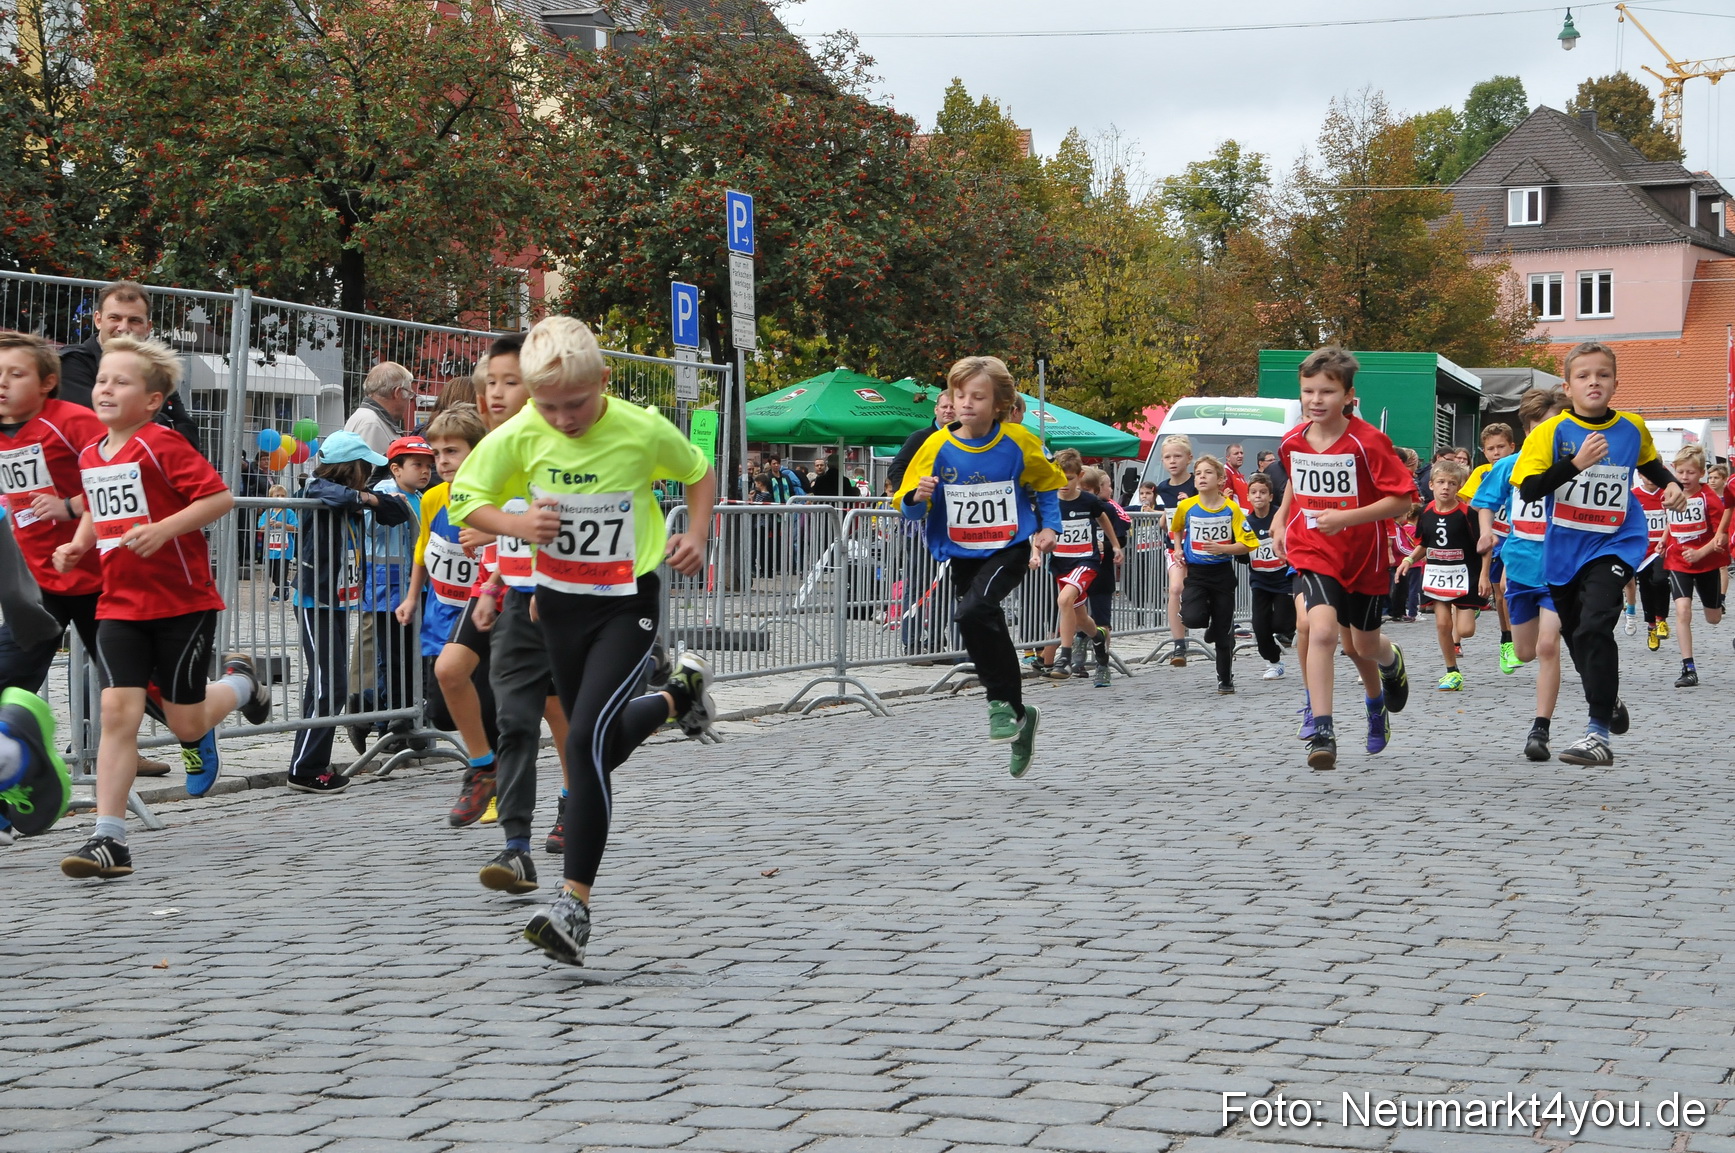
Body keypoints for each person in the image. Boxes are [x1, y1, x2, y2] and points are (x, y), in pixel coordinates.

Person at [445, 316, 717, 967]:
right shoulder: (519, 433)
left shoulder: (640, 428)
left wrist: (697, 535)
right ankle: (677, 696)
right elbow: (463, 499)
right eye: (549, 405)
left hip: (628, 603)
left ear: (604, 380)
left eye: (577, 403)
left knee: (583, 738)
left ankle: (574, 903)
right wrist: (514, 520)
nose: (563, 418)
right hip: (558, 607)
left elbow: (698, 472)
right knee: (587, 741)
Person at [50, 337, 271, 878]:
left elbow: (218, 498)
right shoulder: (90, 453)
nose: (105, 388)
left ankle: (243, 683)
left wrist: (162, 529)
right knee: (116, 713)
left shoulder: (162, 443)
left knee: (185, 719)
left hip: (183, 602)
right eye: (102, 379)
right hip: (119, 602)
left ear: (152, 399)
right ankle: (109, 838)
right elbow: (98, 508)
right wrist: (80, 543)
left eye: (120, 382)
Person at [1512, 341, 1680, 766]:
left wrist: (1671, 484)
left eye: (1602, 375)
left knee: (1594, 625)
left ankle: (1597, 733)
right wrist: (1575, 464)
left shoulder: (1632, 427)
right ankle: (1608, 697)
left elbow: (1650, 465)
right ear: (1567, 386)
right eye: (1584, 376)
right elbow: (1529, 490)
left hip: (1618, 540)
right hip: (1564, 551)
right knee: (1578, 640)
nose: (1594, 382)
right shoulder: (1550, 433)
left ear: (1615, 383)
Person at [896, 355, 1063, 780]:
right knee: (983, 625)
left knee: (972, 613)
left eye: (978, 396)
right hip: (962, 552)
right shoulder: (934, 446)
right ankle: (1021, 716)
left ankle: (997, 705)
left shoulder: (1018, 441)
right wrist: (917, 495)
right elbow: (907, 510)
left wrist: (1051, 529)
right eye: (959, 395)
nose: (965, 404)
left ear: (999, 404)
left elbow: (1046, 485)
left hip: (1009, 545)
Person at [1273, 346, 1413, 771]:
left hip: (1363, 555)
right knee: (1319, 632)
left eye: (1327, 392)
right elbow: (1296, 480)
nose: (1316, 400)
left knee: (1362, 645)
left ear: (1349, 395)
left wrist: (1347, 517)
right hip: (1312, 547)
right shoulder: (1292, 440)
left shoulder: (1368, 442)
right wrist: (1281, 518)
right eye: (1308, 391)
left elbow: (1402, 500)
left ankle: (1384, 683)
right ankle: (1323, 728)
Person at [285, 430, 413, 793]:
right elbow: (320, 490)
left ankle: (310, 765)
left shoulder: (355, 499)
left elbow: (398, 510)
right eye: (363, 470)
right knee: (330, 685)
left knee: (327, 685)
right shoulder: (318, 490)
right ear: (349, 469)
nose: (368, 478)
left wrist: (369, 500)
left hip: (340, 599)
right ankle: (304, 769)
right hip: (315, 601)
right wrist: (362, 498)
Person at [396, 405, 499, 823]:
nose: (440, 462)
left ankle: (496, 785)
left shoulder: (497, 489)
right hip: (445, 610)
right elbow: (424, 549)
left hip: (492, 603)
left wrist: (494, 530)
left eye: (451, 452)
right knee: (440, 709)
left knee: (493, 703)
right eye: (436, 454)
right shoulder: (434, 498)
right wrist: (410, 596)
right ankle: (489, 764)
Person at [1473, 386, 1568, 760]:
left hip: (1561, 571)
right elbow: (1485, 502)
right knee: (1527, 651)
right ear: (1528, 430)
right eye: (1541, 426)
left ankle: (1539, 730)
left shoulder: (1574, 468)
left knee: (1548, 645)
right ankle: (1604, 687)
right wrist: (1486, 532)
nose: (1550, 432)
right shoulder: (1509, 467)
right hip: (1520, 569)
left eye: (1558, 426)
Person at [353, 435, 434, 751]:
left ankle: (380, 712)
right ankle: (389, 723)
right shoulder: (385, 494)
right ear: (396, 469)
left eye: (429, 465)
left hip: (415, 585)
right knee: (394, 657)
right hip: (388, 586)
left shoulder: (418, 496)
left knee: (412, 657)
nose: (425, 471)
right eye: (418, 465)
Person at [55, 281, 201, 450]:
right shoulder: (72, 364)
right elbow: (101, 428)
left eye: (134, 320)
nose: (124, 328)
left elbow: (189, 439)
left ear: (148, 328)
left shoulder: (155, 369)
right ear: (98, 320)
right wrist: (164, 423)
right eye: (114, 318)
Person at [1171, 455, 1260, 694]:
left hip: (1221, 573)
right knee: (1192, 618)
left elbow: (1249, 543)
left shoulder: (1231, 509)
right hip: (1197, 572)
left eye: (1208, 473)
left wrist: (1224, 548)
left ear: (1220, 480)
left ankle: (1225, 679)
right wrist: (1178, 549)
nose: (1202, 477)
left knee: (1223, 632)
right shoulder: (1186, 506)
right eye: (1198, 473)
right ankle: (1206, 623)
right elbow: (1176, 528)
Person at [1395, 460, 1484, 692]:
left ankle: (1468, 610)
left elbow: (1483, 546)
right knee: (1443, 625)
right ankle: (1452, 672)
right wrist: (1408, 560)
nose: (1446, 487)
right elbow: (1424, 543)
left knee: (1465, 631)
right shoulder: (1425, 512)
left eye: (1452, 483)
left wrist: (1485, 576)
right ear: (1432, 485)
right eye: (1441, 482)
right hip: (1437, 575)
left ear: (1459, 487)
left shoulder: (1467, 513)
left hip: (1465, 575)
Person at [1040, 450, 1120, 683]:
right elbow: (1039, 531)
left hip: (1086, 561)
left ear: (1080, 476)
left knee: (1064, 600)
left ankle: (1063, 658)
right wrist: (1035, 553)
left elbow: (1102, 518)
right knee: (1081, 618)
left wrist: (1115, 545)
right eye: (1059, 478)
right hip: (1061, 563)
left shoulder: (1089, 501)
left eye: (1070, 478)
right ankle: (1097, 637)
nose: (1064, 484)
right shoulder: (1049, 501)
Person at [1662, 443, 1728, 687]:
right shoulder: (1671, 492)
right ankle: (1688, 667)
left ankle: (1717, 604)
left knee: (1713, 618)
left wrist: (1701, 553)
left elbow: (1721, 535)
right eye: (1680, 472)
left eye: (1690, 473)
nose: (1684, 477)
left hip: (1706, 562)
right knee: (1683, 611)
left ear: (1701, 474)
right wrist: (1663, 539)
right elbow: (1671, 519)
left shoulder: (1709, 499)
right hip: (1678, 560)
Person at [1467, 423, 1520, 674]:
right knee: (1500, 595)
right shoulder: (1481, 473)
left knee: (1511, 590)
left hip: (1517, 538)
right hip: (1493, 539)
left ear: (1512, 446)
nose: (1496, 452)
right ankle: (1506, 640)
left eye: (1501, 447)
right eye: (1490, 449)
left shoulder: (1520, 466)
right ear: (1484, 452)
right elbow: (1470, 504)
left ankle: (1522, 635)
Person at [1242, 472, 1293, 679]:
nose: (1258, 496)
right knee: (1259, 627)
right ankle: (1274, 662)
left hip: (1283, 580)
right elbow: (1242, 552)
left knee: (1281, 624)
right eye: (1253, 492)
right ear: (1248, 497)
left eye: (1263, 492)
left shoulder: (1279, 517)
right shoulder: (1246, 523)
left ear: (1271, 496)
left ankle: (1291, 630)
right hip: (1260, 581)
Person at [1152, 435, 1197, 666]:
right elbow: (1164, 517)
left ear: (1189, 459)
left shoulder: (1196, 483)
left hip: (1200, 547)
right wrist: (1167, 517)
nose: (1172, 461)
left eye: (1177, 456)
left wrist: (1188, 504)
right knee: (1176, 588)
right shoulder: (1162, 488)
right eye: (1168, 457)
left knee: (1196, 593)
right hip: (1173, 547)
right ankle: (1179, 643)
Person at [1084, 466, 1130, 686]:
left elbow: (1120, 539)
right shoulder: (1064, 508)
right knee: (1073, 612)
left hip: (1101, 571)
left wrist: (1110, 547)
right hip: (1074, 570)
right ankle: (1077, 648)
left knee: (1102, 620)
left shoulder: (1107, 510)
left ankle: (1102, 664)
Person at [1631, 472, 1673, 650]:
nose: (1650, 478)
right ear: (1640, 475)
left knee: (1660, 580)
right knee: (1646, 587)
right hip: (1642, 551)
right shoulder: (1633, 495)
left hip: (1661, 549)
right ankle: (1651, 627)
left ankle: (1661, 619)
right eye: (1645, 474)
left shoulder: (1667, 493)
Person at [345, 361, 418, 459]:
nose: (409, 400)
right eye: (409, 394)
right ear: (397, 392)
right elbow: (369, 471)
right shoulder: (372, 424)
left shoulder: (367, 418)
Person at [258, 485, 298, 600]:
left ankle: (279, 593)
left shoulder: (289, 512)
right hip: (270, 549)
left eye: (283, 496)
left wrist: (281, 524)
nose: (280, 498)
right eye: (277, 496)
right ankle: (284, 584)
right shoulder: (267, 513)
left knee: (281, 571)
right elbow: (260, 528)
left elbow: (295, 527)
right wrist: (267, 524)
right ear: (271, 497)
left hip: (285, 549)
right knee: (271, 572)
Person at [1222, 442, 1250, 506]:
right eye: (1236, 453)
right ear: (1228, 457)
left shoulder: (1237, 473)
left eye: (1241, 453)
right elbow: (1227, 498)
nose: (1240, 456)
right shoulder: (1226, 473)